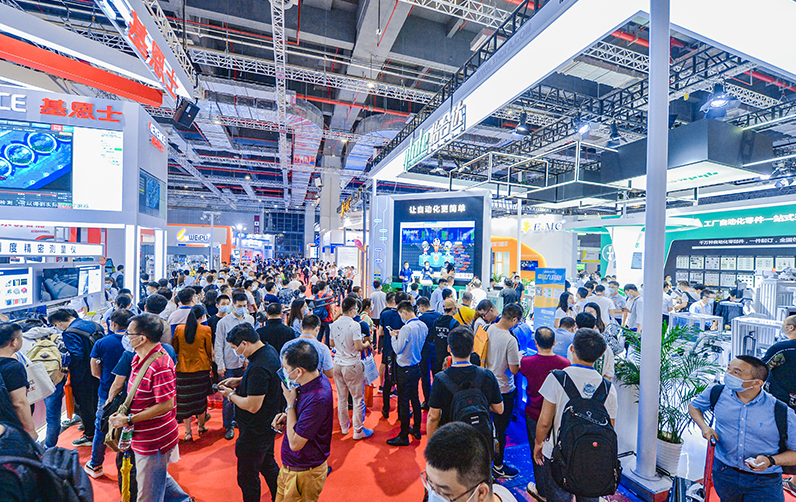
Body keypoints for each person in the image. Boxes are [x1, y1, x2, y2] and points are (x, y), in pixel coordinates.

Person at [108, 313, 192, 502]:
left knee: (148, 492)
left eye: (129, 334)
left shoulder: (160, 365)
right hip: (142, 435)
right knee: (157, 477)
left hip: (154, 439)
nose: (126, 337)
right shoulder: (138, 358)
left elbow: (166, 404)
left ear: (142, 338)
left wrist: (129, 419)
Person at [689, 356, 796, 502]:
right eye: (728, 368)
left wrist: (770, 460)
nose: (728, 374)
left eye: (736, 372)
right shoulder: (717, 393)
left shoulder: (781, 411)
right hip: (724, 473)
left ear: (757, 383)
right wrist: (704, 427)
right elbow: (694, 406)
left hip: (764, 482)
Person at [533, 329, 618, 502]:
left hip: (558, 455)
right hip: (593, 456)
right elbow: (610, 427)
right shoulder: (608, 388)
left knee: (558, 495)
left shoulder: (557, 378)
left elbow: (544, 421)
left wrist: (538, 443)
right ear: (600, 355)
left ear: (572, 349)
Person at [218, 323, 283, 502]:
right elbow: (262, 382)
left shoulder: (259, 366)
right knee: (268, 465)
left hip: (255, 429)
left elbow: (252, 405)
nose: (235, 351)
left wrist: (230, 395)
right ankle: (281, 497)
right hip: (267, 423)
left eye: (234, 347)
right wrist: (240, 380)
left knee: (247, 476)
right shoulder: (268, 351)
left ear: (244, 344)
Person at [271, 341, 334, 502]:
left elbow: (295, 444)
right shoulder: (312, 381)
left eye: (285, 368)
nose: (284, 372)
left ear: (298, 371)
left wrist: (290, 405)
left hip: (303, 473)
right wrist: (289, 414)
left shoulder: (318, 398)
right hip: (292, 468)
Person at [520, 327, 570, 501]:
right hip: (557, 416)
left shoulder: (527, 362)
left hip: (534, 413)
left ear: (536, 343)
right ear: (554, 342)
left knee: (537, 452)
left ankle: (542, 491)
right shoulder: (565, 364)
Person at [427, 326, 503, 438]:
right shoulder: (487, 375)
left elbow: (433, 417)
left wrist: (431, 444)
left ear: (449, 348)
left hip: (452, 437)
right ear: (473, 349)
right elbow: (499, 409)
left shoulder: (440, 379)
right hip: (480, 439)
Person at [84, 309, 133, 477]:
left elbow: (94, 370)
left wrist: (104, 378)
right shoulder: (138, 341)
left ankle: (96, 464)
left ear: (114, 324)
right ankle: (131, 463)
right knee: (132, 425)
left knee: (102, 427)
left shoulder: (102, 342)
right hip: (132, 392)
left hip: (107, 391)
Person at [48, 308, 103, 447]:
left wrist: (67, 366)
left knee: (85, 404)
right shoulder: (94, 325)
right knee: (97, 402)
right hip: (99, 370)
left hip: (83, 375)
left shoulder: (70, 333)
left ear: (59, 323)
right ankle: (100, 428)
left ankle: (90, 434)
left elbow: (76, 355)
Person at [423, 422, 518, 502]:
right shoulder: (499, 491)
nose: (433, 497)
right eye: (430, 485)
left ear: (481, 493)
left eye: (444, 494)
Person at [484, 303, 523, 479]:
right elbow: (514, 370)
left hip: (486, 385)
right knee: (501, 430)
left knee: (485, 426)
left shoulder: (488, 329)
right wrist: (519, 358)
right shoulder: (510, 340)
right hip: (504, 390)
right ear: (514, 319)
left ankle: (484, 462)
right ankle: (498, 466)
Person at [330, 297, 373, 439]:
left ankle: (344, 427)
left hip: (338, 363)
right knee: (357, 398)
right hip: (352, 364)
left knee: (342, 398)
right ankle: (358, 430)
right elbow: (359, 346)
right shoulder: (355, 325)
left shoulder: (334, 324)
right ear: (352, 309)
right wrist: (367, 344)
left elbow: (331, 343)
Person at [387, 300, 428, 446]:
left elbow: (398, 349)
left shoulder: (406, 328)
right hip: (416, 367)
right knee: (415, 399)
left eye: (401, 315)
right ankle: (416, 429)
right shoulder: (423, 325)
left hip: (404, 369)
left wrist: (393, 336)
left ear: (404, 312)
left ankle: (403, 435)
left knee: (404, 402)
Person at [215, 292, 254, 440]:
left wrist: (248, 359)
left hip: (244, 363)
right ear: (233, 305)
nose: (242, 308)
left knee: (243, 394)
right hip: (228, 363)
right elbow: (218, 344)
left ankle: (240, 420)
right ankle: (229, 424)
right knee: (228, 397)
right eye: (239, 306)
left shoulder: (249, 319)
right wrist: (220, 364)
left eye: (244, 306)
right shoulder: (223, 322)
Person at [172, 304, 214, 442]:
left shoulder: (179, 329)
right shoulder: (206, 330)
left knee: (185, 401)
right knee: (200, 399)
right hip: (201, 368)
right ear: (202, 316)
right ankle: (201, 426)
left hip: (183, 368)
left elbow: (175, 348)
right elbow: (208, 350)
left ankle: (188, 432)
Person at [0, 323, 35, 437]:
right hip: (8, 428)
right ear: (14, 342)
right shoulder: (13, 367)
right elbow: (19, 403)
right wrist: (30, 430)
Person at [281, 315, 334, 379]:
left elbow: (283, 367)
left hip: (292, 382)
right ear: (317, 329)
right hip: (314, 382)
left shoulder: (287, 345)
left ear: (301, 328)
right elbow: (330, 373)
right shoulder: (323, 348)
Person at [378, 292, 404, 417]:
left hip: (388, 349)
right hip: (401, 351)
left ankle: (385, 408)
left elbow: (380, 332)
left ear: (394, 301)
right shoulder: (404, 316)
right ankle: (401, 411)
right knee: (401, 382)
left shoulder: (385, 314)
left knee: (387, 380)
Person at [418, 297, 441, 408]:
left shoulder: (421, 318)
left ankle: (428, 401)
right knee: (437, 375)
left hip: (425, 350)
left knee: (425, 376)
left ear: (422, 307)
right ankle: (438, 401)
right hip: (437, 349)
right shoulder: (439, 316)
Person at [433, 299, 461, 374]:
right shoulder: (455, 323)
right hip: (449, 357)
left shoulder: (436, 321)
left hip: (437, 354)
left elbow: (433, 337)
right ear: (453, 309)